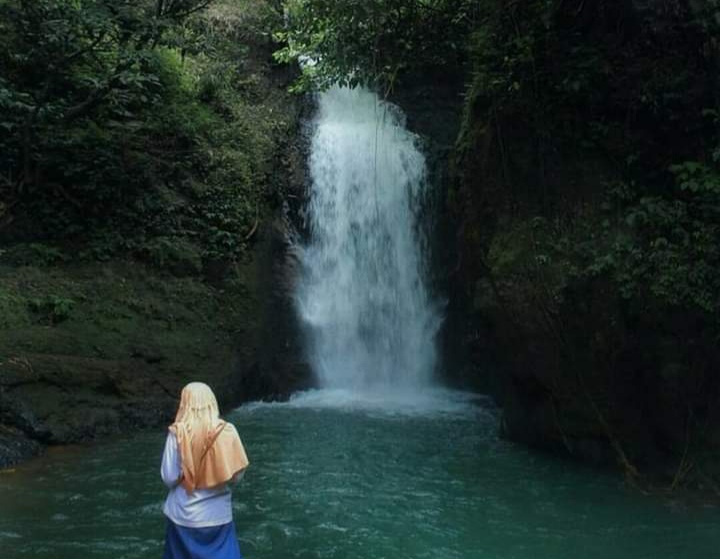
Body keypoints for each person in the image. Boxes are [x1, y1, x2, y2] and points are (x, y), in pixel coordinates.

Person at [160, 382, 249, 559]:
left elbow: (168, 477)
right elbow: (237, 476)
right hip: (218, 514)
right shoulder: (228, 431)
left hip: (182, 515)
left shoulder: (177, 433)